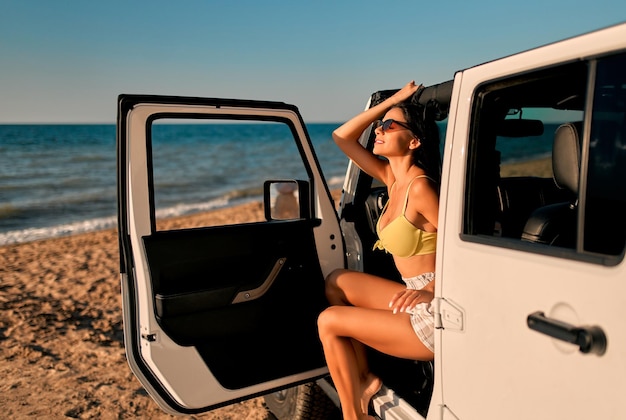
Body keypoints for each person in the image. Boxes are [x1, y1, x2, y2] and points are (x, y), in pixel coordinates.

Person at [317, 81, 440, 420]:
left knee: (329, 321)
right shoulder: (391, 178)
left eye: (390, 125)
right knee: (336, 282)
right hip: (413, 293)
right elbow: (342, 137)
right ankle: (364, 380)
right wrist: (394, 102)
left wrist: (432, 290)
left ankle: (353, 414)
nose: (380, 130)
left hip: (433, 313)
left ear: (414, 141)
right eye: (379, 126)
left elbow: (464, 252)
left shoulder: (421, 189)